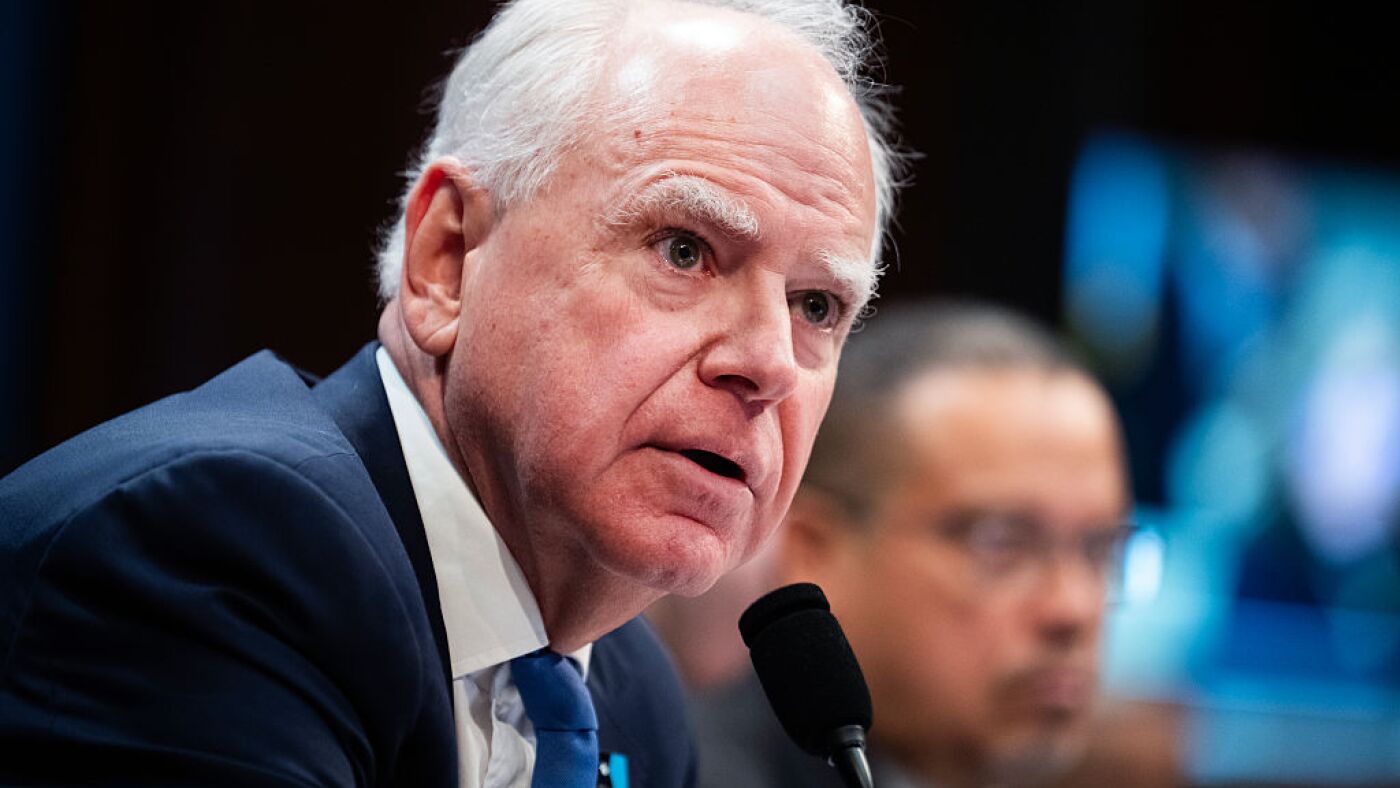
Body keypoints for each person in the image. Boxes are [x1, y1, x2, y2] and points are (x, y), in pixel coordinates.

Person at [0, 0, 905, 784]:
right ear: (448, 259)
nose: (769, 363)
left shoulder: (634, 699)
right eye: (684, 250)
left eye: (816, 306)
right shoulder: (228, 547)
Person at [688, 300, 1133, 788]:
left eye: (1101, 549)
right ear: (813, 553)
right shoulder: (686, 772)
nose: (1071, 610)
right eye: (1002, 544)